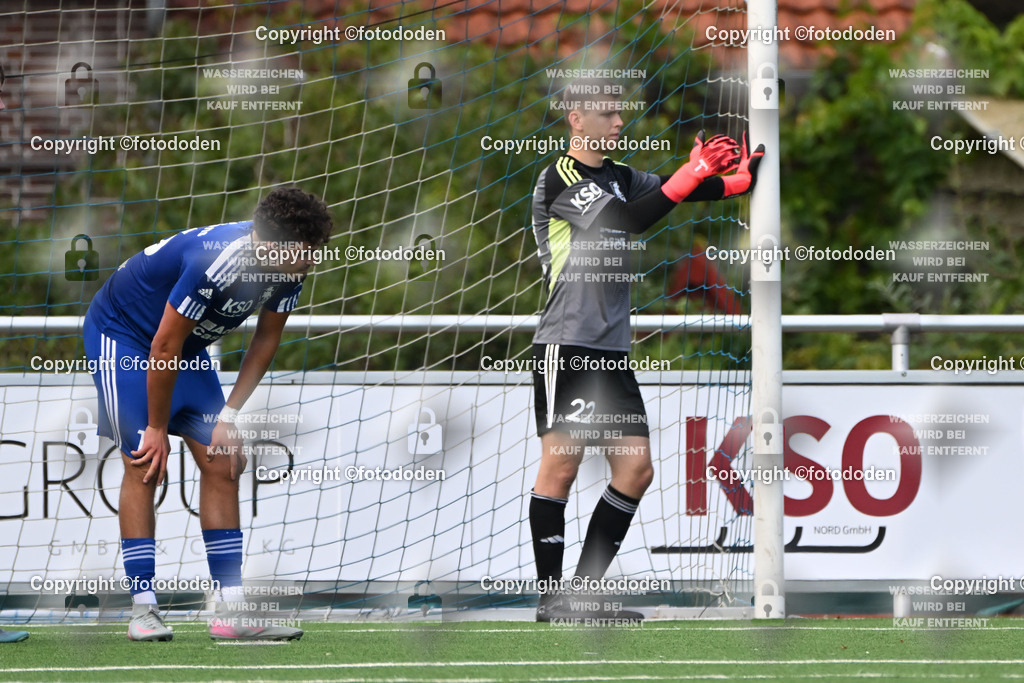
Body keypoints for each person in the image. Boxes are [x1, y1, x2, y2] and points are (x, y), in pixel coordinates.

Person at [529, 78, 764, 622]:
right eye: (607, 114)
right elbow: (627, 220)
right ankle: (551, 598)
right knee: (562, 468)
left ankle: (581, 595)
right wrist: (690, 174)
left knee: (635, 470)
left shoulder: (620, 176)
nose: (618, 123)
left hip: (611, 349)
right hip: (568, 343)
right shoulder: (560, 175)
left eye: (619, 114)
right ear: (575, 119)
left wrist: (737, 181)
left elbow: (677, 192)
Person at [83, 187, 332, 640]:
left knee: (222, 460)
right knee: (144, 461)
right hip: (124, 335)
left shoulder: (289, 267)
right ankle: (143, 609)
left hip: (183, 346)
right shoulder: (213, 263)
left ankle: (231, 612)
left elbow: (265, 341)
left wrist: (229, 416)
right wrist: (157, 427)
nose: (311, 262)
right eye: (305, 253)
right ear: (272, 243)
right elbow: (162, 345)